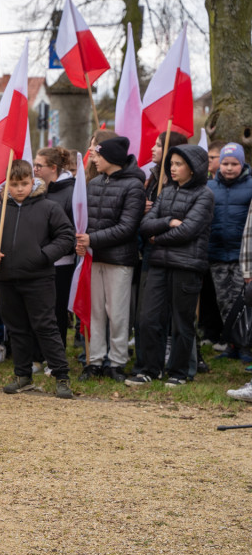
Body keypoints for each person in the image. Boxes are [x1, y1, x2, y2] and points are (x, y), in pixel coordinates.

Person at [0, 160, 76, 399]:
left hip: (38, 278)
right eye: (14, 184)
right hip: (6, 279)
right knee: (17, 328)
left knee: (45, 326)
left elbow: (65, 236)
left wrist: (44, 256)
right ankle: (22, 376)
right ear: (7, 185)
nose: (19, 188)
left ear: (33, 182)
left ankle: (61, 376)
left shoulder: (49, 208)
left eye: (24, 183)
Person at [126, 145, 214, 387]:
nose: (172, 168)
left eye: (178, 164)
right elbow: (146, 223)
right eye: (171, 164)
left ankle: (179, 372)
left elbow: (188, 231)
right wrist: (168, 221)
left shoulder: (204, 195)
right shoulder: (166, 191)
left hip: (186, 266)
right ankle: (148, 369)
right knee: (147, 318)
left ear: (193, 168)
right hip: (158, 264)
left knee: (181, 321)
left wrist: (157, 238)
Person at [74, 135, 146, 382]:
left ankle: (116, 361)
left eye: (99, 156)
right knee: (95, 312)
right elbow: (85, 221)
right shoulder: (93, 184)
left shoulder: (134, 186)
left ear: (112, 159)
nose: (95, 160)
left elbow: (127, 227)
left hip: (119, 260)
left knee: (117, 313)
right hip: (94, 259)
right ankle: (94, 361)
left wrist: (91, 239)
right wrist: (82, 241)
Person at [207, 143, 252, 346]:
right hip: (216, 254)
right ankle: (231, 342)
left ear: (242, 164)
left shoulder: (250, 185)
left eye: (234, 163)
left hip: (240, 256)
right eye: (225, 163)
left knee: (240, 302)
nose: (229, 168)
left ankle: (244, 343)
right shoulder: (210, 187)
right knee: (223, 301)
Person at [34, 146, 76, 349]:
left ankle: (56, 354)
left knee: (56, 311)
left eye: (38, 166)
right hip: (38, 259)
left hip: (61, 262)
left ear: (53, 167)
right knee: (39, 310)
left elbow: (72, 230)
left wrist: (51, 252)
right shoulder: (38, 189)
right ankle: (38, 354)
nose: (35, 170)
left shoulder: (70, 191)